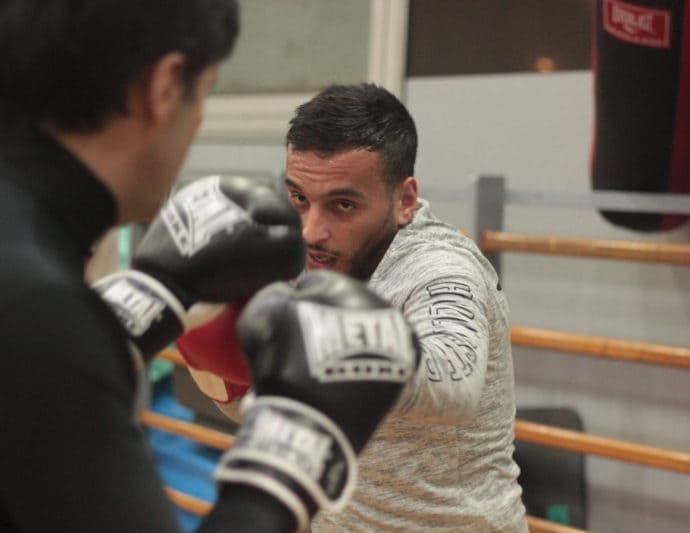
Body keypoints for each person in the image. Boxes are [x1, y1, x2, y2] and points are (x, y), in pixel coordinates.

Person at [0, 4, 418, 533]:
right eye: (206, 91)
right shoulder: (41, 315)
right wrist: (292, 449)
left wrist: (157, 292)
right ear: (166, 87)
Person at [179, 83, 528, 531]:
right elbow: (262, 406)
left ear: (404, 200)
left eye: (343, 204)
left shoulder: (440, 268)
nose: (311, 230)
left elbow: (454, 385)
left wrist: (323, 341)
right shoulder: (304, 256)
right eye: (299, 198)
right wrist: (212, 353)